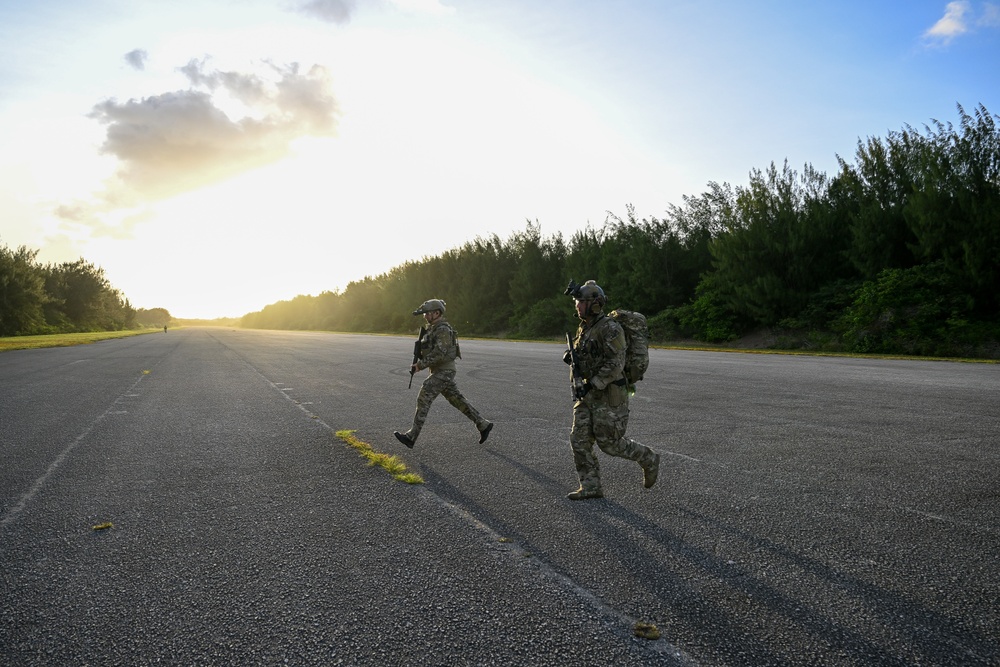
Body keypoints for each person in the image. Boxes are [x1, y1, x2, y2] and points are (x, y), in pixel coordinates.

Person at [562, 280, 660, 500]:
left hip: (609, 394)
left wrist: (593, 383)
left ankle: (648, 458)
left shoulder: (610, 328)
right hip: (587, 394)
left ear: (595, 304)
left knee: (610, 444)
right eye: (576, 301)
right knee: (578, 440)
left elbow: (616, 363)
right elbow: (591, 355)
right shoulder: (585, 327)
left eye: (581, 301)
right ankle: (591, 486)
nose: (577, 305)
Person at [394, 299, 493, 448]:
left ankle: (411, 437)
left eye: (428, 313)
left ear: (437, 313)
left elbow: (440, 353)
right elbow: (431, 351)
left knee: (424, 395)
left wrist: (420, 365)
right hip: (439, 370)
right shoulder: (433, 329)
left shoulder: (442, 329)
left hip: (445, 371)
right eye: (425, 313)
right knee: (457, 399)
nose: (425, 316)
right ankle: (483, 424)